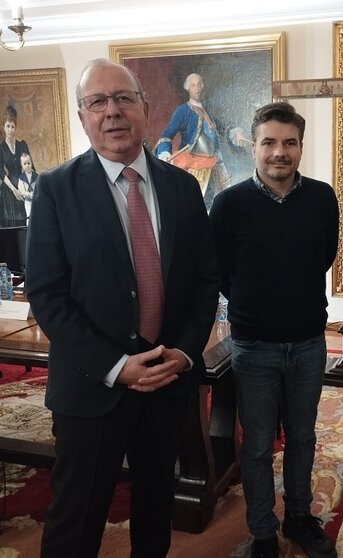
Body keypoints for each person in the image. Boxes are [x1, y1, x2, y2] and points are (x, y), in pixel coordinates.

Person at [25, 58, 220, 558]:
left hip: (164, 381)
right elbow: (47, 294)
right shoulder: (55, 189)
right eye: (97, 102)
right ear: (82, 116)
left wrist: (184, 352)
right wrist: (115, 367)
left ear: (145, 108)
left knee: (156, 512)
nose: (112, 112)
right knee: (76, 520)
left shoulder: (181, 187)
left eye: (123, 98)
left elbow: (204, 281)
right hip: (92, 388)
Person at [209, 101, 339, 558]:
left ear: (301, 147)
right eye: (269, 143)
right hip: (253, 344)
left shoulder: (323, 198)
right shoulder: (228, 204)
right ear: (254, 147)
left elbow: (325, 255)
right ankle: (263, 533)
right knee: (259, 444)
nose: (278, 152)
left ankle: (299, 519)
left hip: (307, 341)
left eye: (289, 143)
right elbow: (219, 271)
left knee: (303, 437)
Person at [153, 72, 250, 210]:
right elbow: (166, 135)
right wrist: (164, 152)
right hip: (194, 167)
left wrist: (236, 134)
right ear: (188, 88)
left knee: (218, 206)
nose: (197, 88)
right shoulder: (182, 111)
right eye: (193, 85)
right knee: (196, 206)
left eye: (199, 85)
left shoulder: (207, 110)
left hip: (215, 164)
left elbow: (223, 128)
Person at [0, 105, 32, 227]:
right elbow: (1, 173)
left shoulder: (22, 145)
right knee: (10, 231)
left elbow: (31, 168)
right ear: (4, 127)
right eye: (8, 126)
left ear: (16, 128)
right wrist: (14, 190)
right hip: (8, 193)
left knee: (23, 227)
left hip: (23, 189)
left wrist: (26, 189)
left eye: (12, 126)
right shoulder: (1, 148)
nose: (10, 130)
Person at [17, 152, 38, 221]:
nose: (27, 166)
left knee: (38, 214)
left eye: (28, 163)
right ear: (21, 165)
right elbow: (22, 191)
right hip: (28, 201)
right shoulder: (21, 178)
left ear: (31, 163)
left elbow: (39, 187)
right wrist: (29, 195)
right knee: (29, 216)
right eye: (24, 164)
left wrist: (35, 194)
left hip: (36, 199)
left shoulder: (36, 176)